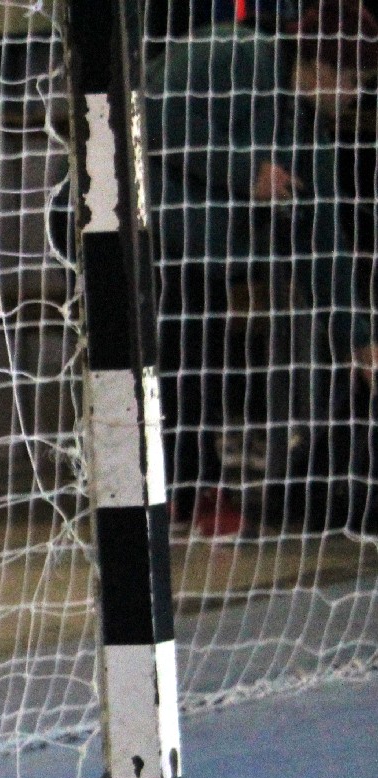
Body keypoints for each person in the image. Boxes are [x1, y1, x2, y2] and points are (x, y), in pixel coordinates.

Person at [144, 0, 377, 534]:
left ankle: (189, 492)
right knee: (173, 357)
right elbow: (148, 113)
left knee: (201, 358)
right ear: (322, 67)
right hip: (120, 221)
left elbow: (322, 242)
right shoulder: (237, 53)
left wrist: (359, 341)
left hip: (194, 256)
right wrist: (246, 171)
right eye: (352, 79)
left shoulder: (309, 135)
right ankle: (171, 494)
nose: (356, 94)